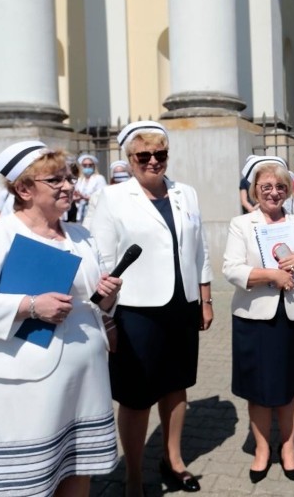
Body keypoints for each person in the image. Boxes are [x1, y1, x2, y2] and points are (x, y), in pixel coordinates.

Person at [0, 141, 121, 496]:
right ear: (23, 189)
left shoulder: (81, 235)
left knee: (78, 470)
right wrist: (30, 305)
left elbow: (92, 302)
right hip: (27, 383)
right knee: (31, 483)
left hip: (86, 377)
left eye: (68, 177)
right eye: (56, 180)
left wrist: (109, 297)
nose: (69, 186)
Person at [91, 121, 213, 496]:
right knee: (136, 395)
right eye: (144, 155)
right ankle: (132, 473)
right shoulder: (113, 198)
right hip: (135, 310)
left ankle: (173, 460)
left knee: (176, 387)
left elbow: (199, 249)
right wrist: (107, 320)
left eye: (160, 154)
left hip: (181, 304)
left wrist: (205, 299)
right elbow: (102, 260)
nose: (153, 162)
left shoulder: (185, 193)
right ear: (129, 159)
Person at [223, 156, 294, 484]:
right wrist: (271, 274)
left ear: (289, 190)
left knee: (288, 387)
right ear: (255, 190)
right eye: (266, 187)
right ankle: (261, 449)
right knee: (257, 388)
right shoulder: (242, 224)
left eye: (280, 187)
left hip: (293, 315)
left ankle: (288, 447)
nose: (273, 192)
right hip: (254, 316)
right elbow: (231, 268)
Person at [81, 160, 131, 230]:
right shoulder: (105, 193)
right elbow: (90, 219)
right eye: (116, 173)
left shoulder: (133, 191)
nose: (119, 176)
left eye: (122, 173)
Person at [73, 153, 107, 223]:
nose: (87, 167)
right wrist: (77, 198)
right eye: (85, 165)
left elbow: (102, 196)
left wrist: (86, 197)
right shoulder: (80, 180)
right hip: (81, 212)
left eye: (90, 165)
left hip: (94, 212)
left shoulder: (99, 178)